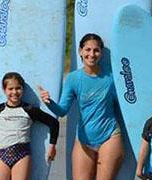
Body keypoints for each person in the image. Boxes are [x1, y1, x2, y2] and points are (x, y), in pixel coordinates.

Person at [39, 33, 124, 179]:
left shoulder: (112, 78)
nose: (92, 54)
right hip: (84, 140)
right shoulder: (73, 79)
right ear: (80, 51)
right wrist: (49, 103)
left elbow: (125, 107)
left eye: (96, 50)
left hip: (110, 136)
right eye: (88, 50)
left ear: (101, 53)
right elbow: (62, 110)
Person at [0, 72, 59, 180]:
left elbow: (53, 123)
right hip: (2, 154)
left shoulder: (29, 110)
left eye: (18, 88)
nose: (14, 92)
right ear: (4, 90)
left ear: (23, 89)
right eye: (10, 89)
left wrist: (52, 147)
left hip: (22, 154)